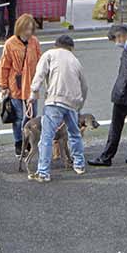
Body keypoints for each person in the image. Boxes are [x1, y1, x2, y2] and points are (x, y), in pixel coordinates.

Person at [28, 32, 88, 181]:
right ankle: (79, 165)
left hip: (54, 101)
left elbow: (40, 73)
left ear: (56, 44)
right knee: (75, 134)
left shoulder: (50, 54)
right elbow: (84, 86)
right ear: (71, 48)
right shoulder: (75, 61)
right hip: (72, 103)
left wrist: (34, 92)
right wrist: (79, 104)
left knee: (47, 137)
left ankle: (43, 172)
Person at [88, 24, 127, 168]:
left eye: (115, 40)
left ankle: (106, 157)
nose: (116, 43)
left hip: (123, 94)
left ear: (120, 36)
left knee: (116, 127)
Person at [0, 15, 42, 161]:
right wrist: (3, 85)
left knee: (32, 116)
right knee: (18, 117)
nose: (29, 32)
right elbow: (4, 65)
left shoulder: (34, 42)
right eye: (27, 28)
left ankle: (29, 141)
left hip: (32, 84)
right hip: (15, 84)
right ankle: (18, 142)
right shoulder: (10, 44)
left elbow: (41, 62)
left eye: (31, 28)